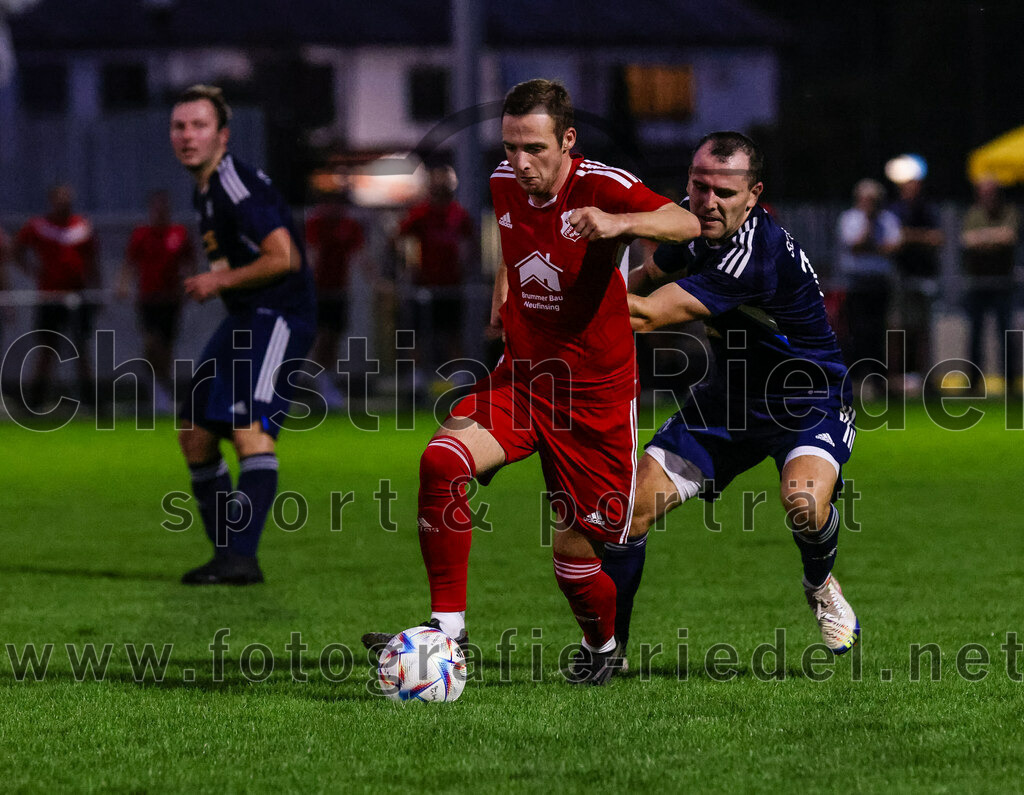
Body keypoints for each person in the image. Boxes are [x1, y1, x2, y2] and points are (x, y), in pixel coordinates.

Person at [363, 79, 700, 684]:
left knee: (575, 561)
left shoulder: (602, 185)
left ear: (567, 140)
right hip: (522, 378)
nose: (520, 162)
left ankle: (602, 647)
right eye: (511, 147)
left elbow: (687, 223)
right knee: (441, 461)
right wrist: (503, 291)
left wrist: (617, 222)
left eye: (535, 148)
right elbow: (516, 244)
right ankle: (448, 633)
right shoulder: (503, 182)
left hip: (594, 398)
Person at [621, 131, 860, 663]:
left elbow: (649, 314)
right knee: (629, 510)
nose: (707, 202)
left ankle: (821, 586)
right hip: (727, 401)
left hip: (807, 400)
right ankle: (607, 649)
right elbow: (646, 278)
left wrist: (554, 304)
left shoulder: (755, 254)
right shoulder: (690, 223)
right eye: (698, 186)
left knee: (803, 503)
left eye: (724, 193)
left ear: (753, 196)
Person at [169, 85, 317, 585]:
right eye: (179, 126)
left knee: (249, 429)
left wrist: (219, 280)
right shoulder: (206, 188)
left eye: (199, 126)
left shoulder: (233, 182)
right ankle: (227, 556)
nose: (187, 135)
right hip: (246, 318)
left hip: (278, 316)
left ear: (223, 136)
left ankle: (241, 559)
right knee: (194, 434)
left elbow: (284, 256)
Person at [13, 184, 100, 408]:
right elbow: (17, 250)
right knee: (46, 350)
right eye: (60, 198)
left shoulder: (82, 226)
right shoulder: (38, 226)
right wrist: (33, 270)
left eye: (68, 198)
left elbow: (92, 261)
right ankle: (35, 401)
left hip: (77, 297)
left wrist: (96, 290)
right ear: (52, 200)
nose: (65, 202)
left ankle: (91, 401)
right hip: (49, 298)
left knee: (81, 349)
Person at [395, 163, 475, 388]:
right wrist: (407, 266)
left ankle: (459, 377)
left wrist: (465, 267)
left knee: (452, 331)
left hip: (451, 284)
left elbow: (470, 245)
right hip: (424, 284)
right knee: (419, 333)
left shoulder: (459, 215)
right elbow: (400, 238)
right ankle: (417, 378)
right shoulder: (420, 214)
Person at [117, 189, 196, 411]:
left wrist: (191, 285)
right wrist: (123, 284)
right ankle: (154, 387)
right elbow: (130, 262)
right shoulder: (141, 234)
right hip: (148, 298)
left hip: (171, 299)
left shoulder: (179, 233)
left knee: (167, 347)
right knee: (152, 344)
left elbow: (190, 262)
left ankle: (163, 391)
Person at [836, 179, 902, 394]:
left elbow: (893, 247)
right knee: (856, 331)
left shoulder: (888, 219)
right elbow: (855, 245)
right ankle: (855, 378)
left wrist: (870, 246)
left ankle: (878, 379)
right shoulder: (850, 218)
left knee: (877, 332)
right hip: (857, 283)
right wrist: (869, 226)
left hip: (879, 283)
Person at [304, 190, 365, 408]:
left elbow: (360, 255)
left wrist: (376, 280)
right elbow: (312, 253)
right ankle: (319, 381)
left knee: (333, 338)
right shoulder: (316, 223)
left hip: (339, 290)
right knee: (321, 337)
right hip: (318, 291)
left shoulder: (349, 225)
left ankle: (326, 381)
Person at [960, 177, 1020, 395]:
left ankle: (1011, 383)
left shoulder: (1010, 212)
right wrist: (994, 238)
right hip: (977, 284)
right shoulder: (973, 214)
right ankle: (973, 382)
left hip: (1003, 284)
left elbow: (1009, 237)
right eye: (984, 193)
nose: (988, 197)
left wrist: (982, 238)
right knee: (975, 335)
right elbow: (967, 240)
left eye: (992, 192)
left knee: (1006, 334)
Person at [890, 176, 944, 392]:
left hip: (925, 278)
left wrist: (909, 236)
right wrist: (922, 237)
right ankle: (895, 380)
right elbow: (894, 240)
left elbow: (938, 238)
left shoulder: (928, 210)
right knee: (899, 330)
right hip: (901, 278)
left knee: (923, 331)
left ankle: (925, 378)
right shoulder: (895, 211)